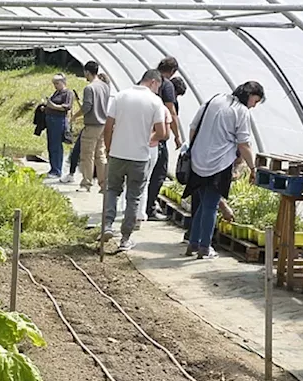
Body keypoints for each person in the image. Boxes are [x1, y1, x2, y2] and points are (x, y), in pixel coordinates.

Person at [184, 82, 263, 259]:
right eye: (255, 101)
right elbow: (244, 143)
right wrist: (252, 167)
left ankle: (193, 244)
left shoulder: (215, 99)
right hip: (218, 164)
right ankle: (205, 247)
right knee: (210, 207)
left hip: (198, 160)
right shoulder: (241, 111)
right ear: (249, 95)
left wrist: (195, 149)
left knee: (203, 205)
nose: (254, 105)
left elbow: (193, 127)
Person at [101, 70, 170, 252]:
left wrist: (109, 148)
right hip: (139, 157)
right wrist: (146, 138)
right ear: (154, 82)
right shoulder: (155, 101)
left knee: (112, 190)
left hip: (118, 153)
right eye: (159, 86)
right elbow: (162, 133)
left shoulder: (121, 96)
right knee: (134, 197)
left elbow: (108, 127)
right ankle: (125, 238)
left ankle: (107, 226)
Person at [146, 57, 184, 220]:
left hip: (142, 133)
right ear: (173, 71)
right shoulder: (166, 85)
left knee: (143, 172)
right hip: (158, 135)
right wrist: (177, 136)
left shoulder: (146, 80)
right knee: (159, 172)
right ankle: (149, 209)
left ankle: (138, 207)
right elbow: (171, 111)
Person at [77, 61, 111, 192]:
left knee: (87, 155)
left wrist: (75, 115)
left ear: (87, 72)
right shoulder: (105, 87)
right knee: (100, 155)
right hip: (103, 124)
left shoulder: (89, 88)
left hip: (92, 125)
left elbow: (87, 107)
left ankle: (86, 183)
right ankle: (103, 185)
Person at [44, 74, 74, 180]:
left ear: (63, 82)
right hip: (51, 120)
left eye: (57, 83)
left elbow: (67, 107)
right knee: (51, 145)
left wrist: (53, 106)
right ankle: (53, 168)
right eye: (54, 84)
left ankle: (57, 170)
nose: (55, 86)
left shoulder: (68, 93)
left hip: (59, 120)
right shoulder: (57, 93)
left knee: (56, 146)